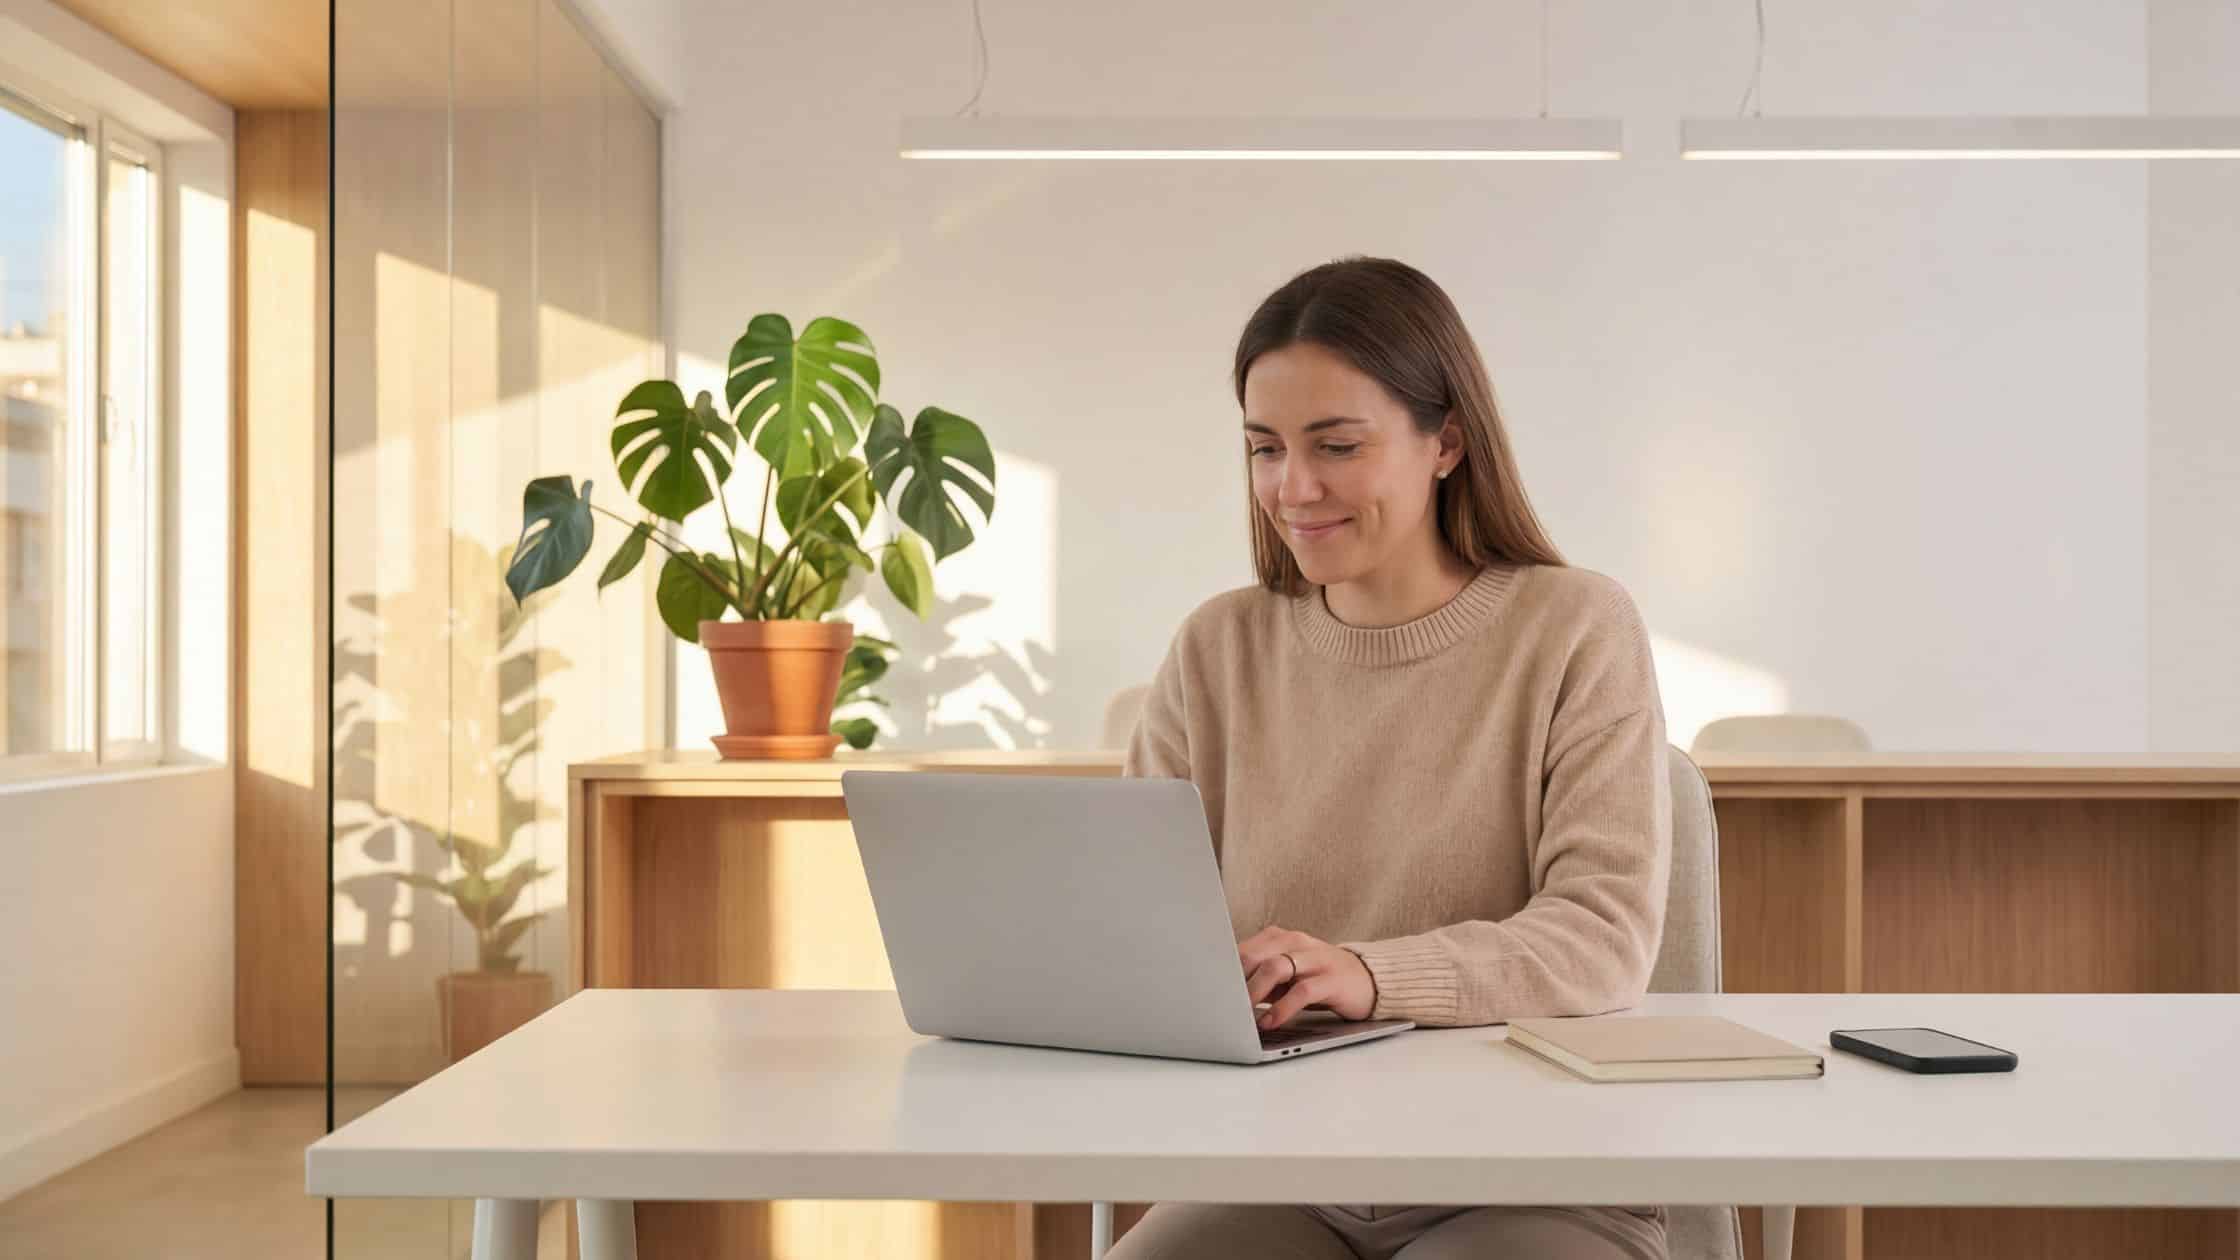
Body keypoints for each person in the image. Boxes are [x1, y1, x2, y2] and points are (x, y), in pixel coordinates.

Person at [1110, 257, 1673, 1260]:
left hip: (1528, 1181)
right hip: (1275, 1172)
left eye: (1335, 445)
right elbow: (1134, 930)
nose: (1292, 487)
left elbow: (1599, 940)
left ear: (1445, 441)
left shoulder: (1574, 625)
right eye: (1263, 447)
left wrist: (1367, 974)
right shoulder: (1217, 646)